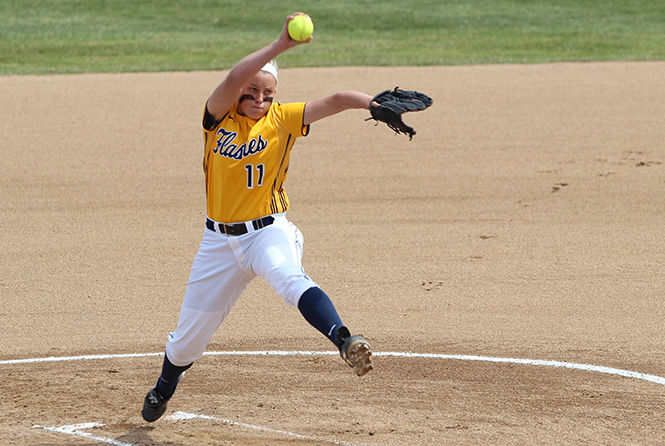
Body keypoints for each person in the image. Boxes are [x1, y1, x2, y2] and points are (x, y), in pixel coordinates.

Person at [141, 13, 375, 423]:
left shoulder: (283, 119)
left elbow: (337, 99)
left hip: (268, 232)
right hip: (218, 243)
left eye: (268, 92)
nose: (260, 98)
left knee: (290, 279)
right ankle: (162, 390)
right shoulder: (217, 118)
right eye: (253, 90)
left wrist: (371, 103)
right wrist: (280, 45)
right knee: (186, 343)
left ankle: (343, 338)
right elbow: (234, 77)